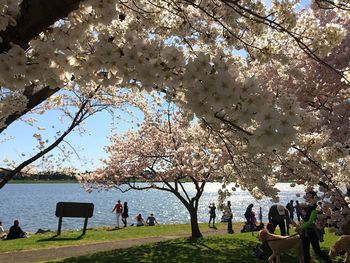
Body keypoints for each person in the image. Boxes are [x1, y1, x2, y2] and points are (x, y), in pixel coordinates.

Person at [296, 190, 332, 263]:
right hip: (305, 232)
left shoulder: (316, 208)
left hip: (312, 232)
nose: (307, 198)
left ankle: (330, 261)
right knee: (305, 251)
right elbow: (305, 219)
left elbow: (310, 221)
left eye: (308, 196)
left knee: (317, 250)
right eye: (306, 196)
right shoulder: (308, 206)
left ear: (313, 198)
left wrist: (300, 227)